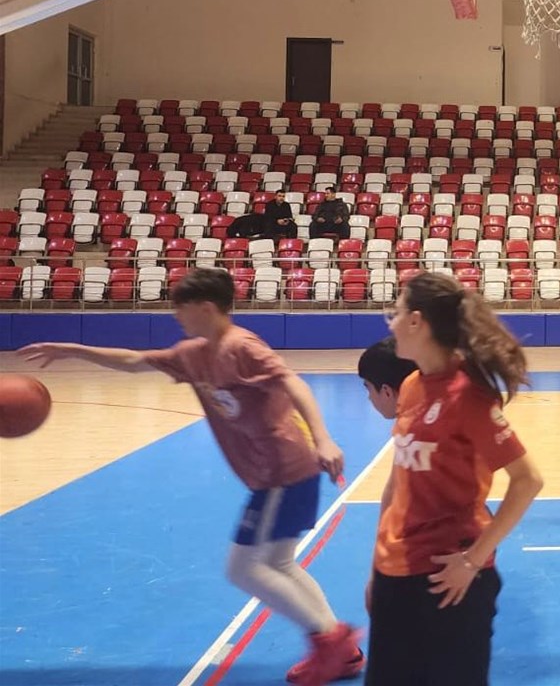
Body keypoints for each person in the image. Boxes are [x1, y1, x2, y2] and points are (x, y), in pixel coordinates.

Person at [19, 268, 362, 684]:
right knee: (279, 562)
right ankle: (342, 652)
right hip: (276, 472)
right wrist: (73, 349)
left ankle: (331, 642)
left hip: (283, 470)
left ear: (206, 308)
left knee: (243, 569)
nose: (175, 315)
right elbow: (134, 361)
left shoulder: (241, 346)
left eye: (181, 307)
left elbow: (293, 382)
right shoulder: (192, 353)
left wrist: (323, 437)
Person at [363, 272, 543, 686]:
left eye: (396, 312)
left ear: (417, 322)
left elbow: (528, 480)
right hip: (395, 573)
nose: (391, 322)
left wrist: (473, 560)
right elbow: (397, 482)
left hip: (448, 580)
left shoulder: (468, 396)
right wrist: (377, 567)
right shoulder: (411, 386)